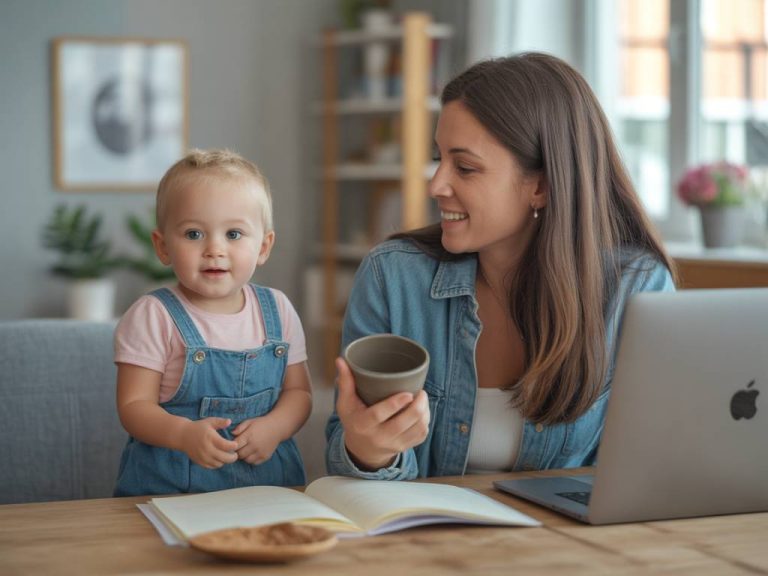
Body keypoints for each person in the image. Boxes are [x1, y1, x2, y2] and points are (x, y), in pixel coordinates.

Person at [325, 52, 677, 480]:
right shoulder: (393, 278)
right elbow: (345, 451)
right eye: (439, 158)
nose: (436, 185)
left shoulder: (635, 288)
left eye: (465, 167)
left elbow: (652, 464)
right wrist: (369, 451)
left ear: (541, 186)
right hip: (426, 524)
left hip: (565, 525)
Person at [114, 149, 312, 496]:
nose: (214, 249)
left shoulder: (278, 310)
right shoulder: (153, 316)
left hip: (268, 493)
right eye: (194, 234)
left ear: (263, 247)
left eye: (233, 234)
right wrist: (182, 434)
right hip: (170, 493)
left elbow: (300, 392)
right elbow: (133, 407)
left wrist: (275, 427)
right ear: (163, 246)